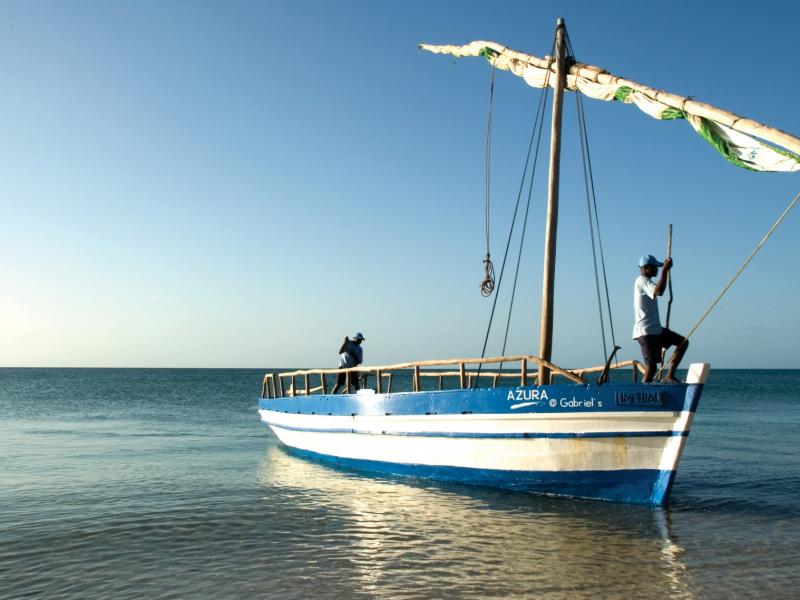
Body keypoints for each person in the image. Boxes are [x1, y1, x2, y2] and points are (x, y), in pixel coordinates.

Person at [633, 255, 688, 383]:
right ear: (646, 268)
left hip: (655, 330)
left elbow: (658, 289)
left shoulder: (647, 281)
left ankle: (670, 375)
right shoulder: (642, 280)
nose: (657, 269)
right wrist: (665, 270)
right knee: (651, 367)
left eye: (659, 268)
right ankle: (643, 393)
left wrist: (665, 270)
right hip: (646, 331)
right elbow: (659, 291)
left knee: (683, 343)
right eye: (655, 267)